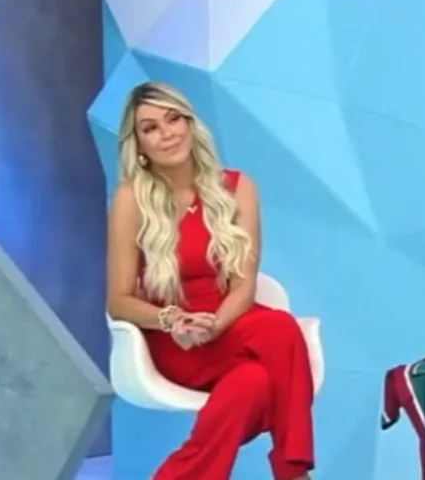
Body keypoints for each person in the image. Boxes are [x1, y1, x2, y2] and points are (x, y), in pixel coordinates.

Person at [105, 82, 315, 480]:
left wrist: (215, 325)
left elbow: (243, 286)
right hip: (174, 338)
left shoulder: (238, 188)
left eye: (173, 119)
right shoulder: (131, 199)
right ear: (140, 146)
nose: (166, 133)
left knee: (254, 379)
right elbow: (119, 300)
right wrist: (173, 320)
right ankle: (294, 474)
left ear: (190, 124)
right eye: (150, 128)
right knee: (279, 331)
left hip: (231, 322)